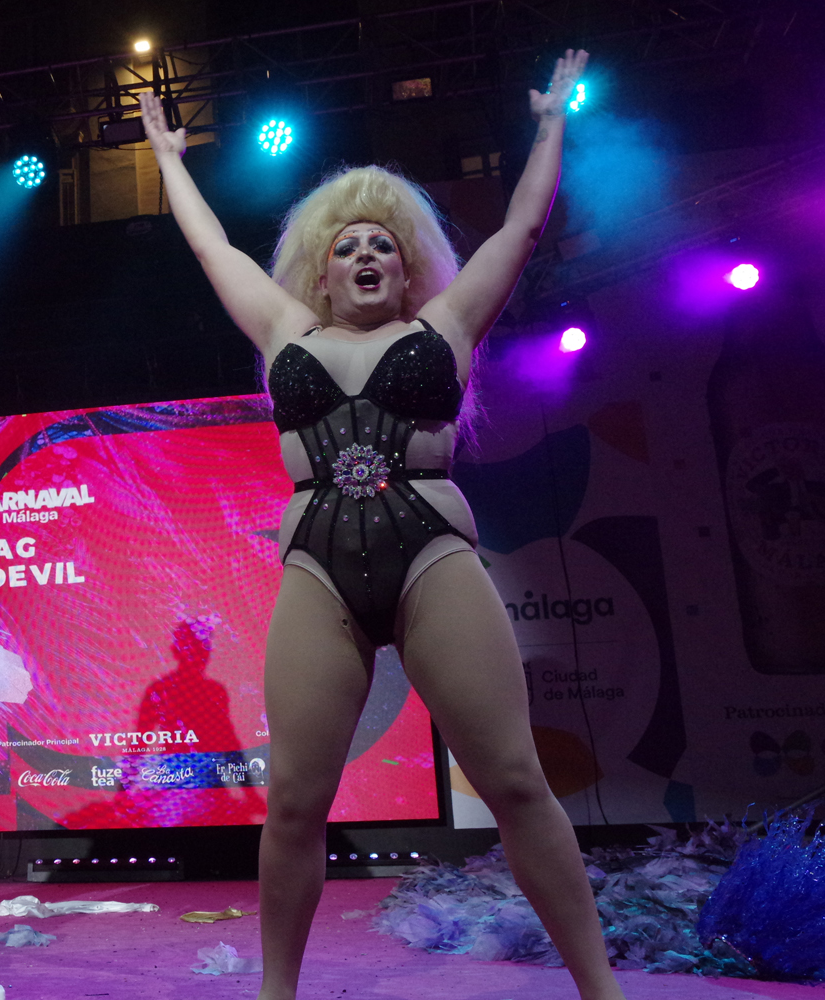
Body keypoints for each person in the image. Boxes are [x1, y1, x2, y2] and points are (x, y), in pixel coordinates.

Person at [140, 51, 626, 1000]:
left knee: (515, 780)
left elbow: (521, 228)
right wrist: (165, 160)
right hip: (318, 570)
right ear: (321, 271)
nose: (366, 255)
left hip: (432, 557)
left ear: (407, 269)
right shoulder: (284, 331)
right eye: (347, 246)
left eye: (383, 246)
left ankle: (600, 989)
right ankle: (276, 993)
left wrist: (549, 127)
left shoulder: (445, 327)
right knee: (294, 801)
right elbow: (213, 251)